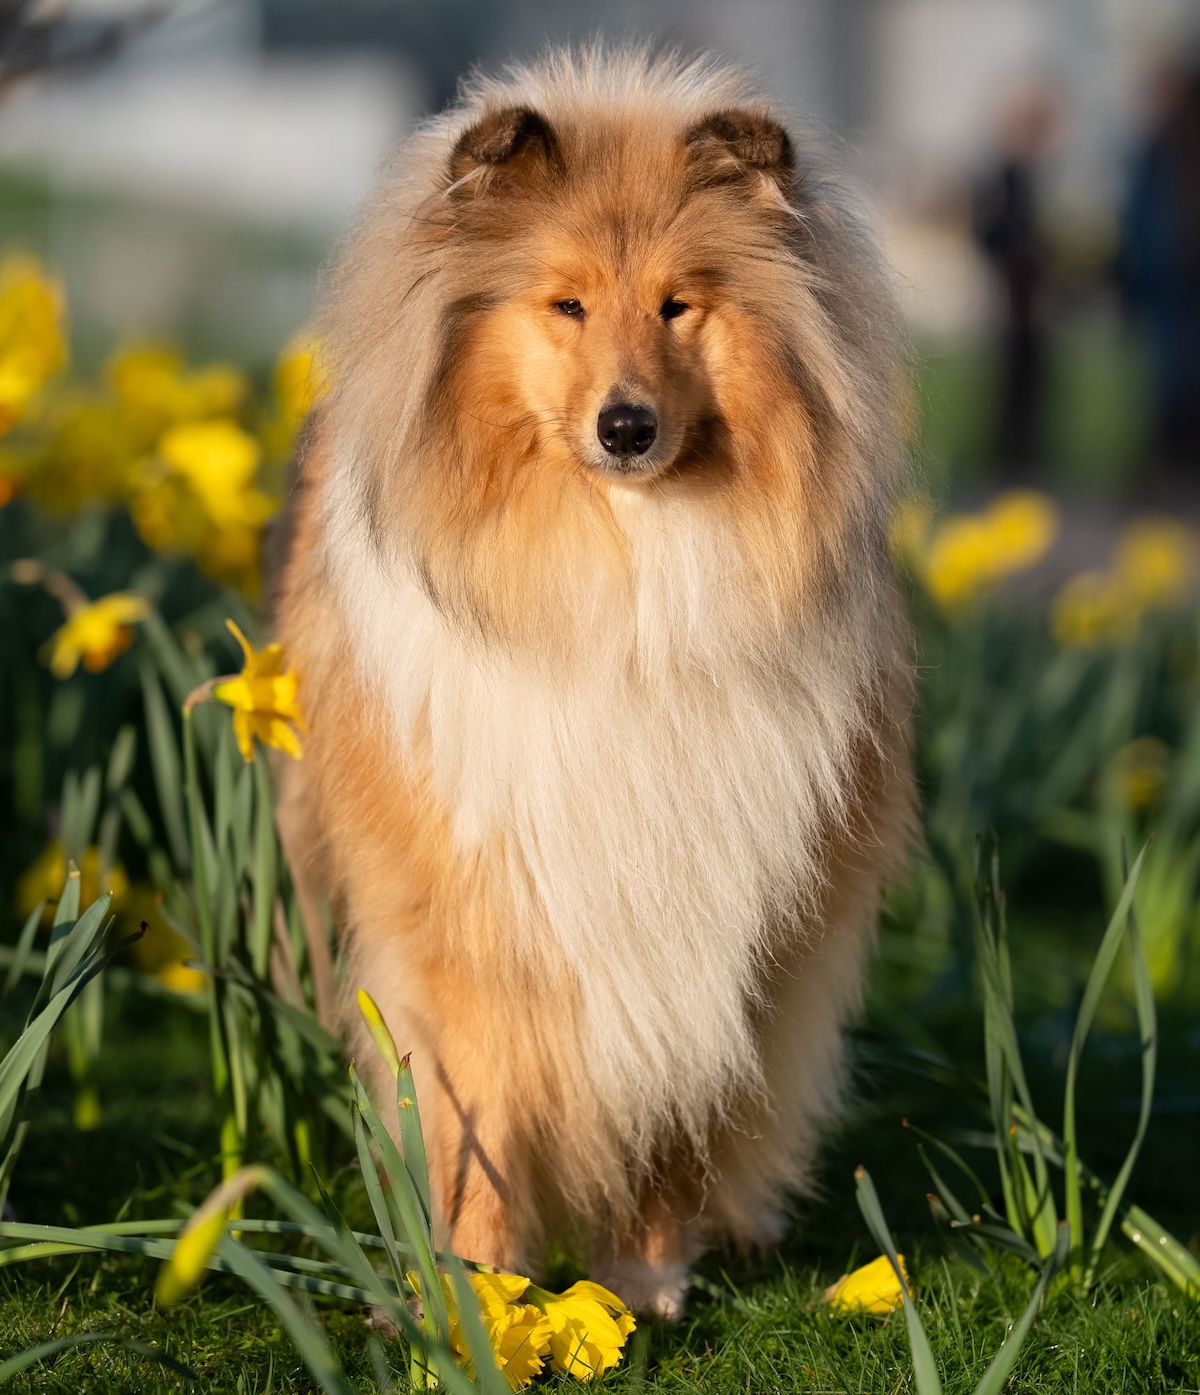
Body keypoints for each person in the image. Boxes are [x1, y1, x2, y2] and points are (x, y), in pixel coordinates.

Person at [973, 84, 1061, 478]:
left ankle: (1026, 459)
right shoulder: (1004, 178)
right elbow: (988, 234)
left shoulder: (1036, 178)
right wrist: (1023, 252)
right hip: (1013, 302)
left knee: (1036, 385)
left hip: (1033, 303)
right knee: (1013, 385)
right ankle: (1009, 463)